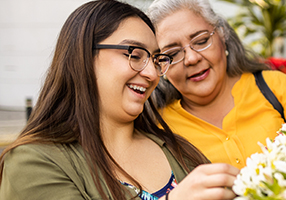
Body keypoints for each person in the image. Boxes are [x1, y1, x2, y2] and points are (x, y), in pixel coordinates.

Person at [0, 1, 240, 199]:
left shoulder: (178, 148)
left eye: (157, 60)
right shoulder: (31, 162)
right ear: (84, 57)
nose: (152, 73)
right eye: (135, 55)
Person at [147, 0, 286, 179]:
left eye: (201, 40)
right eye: (173, 54)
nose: (192, 58)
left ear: (222, 34)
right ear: (159, 65)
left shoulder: (277, 88)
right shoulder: (158, 129)